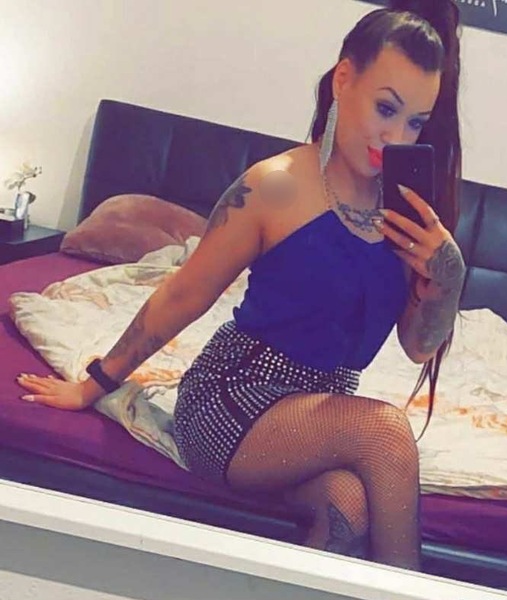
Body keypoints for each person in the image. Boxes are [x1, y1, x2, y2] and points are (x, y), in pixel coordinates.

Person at [17, 0, 464, 572]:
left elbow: (417, 347)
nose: (396, 135)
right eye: (386, 108)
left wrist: (446, 277)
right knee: (387, 432)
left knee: (348, 507)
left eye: (416, 122)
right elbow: (184, 295)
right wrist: (94, 384)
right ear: (344, 79)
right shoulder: (275, 187)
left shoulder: (401, 212)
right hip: (233, 399)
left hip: (317, 416)